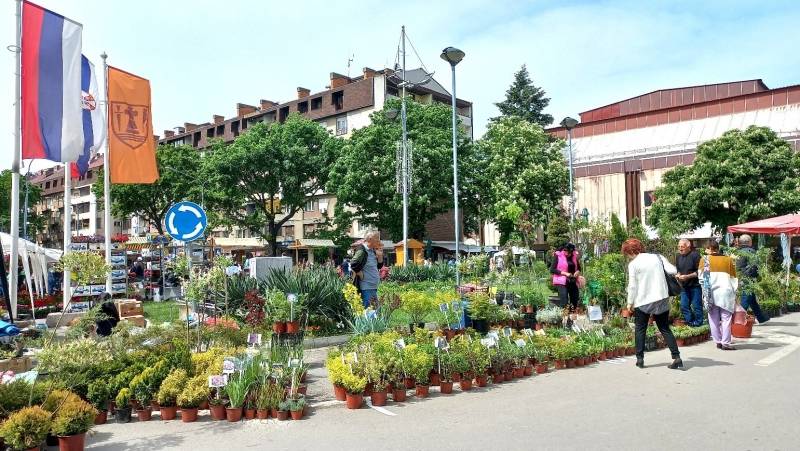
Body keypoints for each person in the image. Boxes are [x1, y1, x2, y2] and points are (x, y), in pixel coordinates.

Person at [622, 238, 683, 369]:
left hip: (643, 300)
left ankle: (640, 359)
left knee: (640, 329)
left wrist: (629, 304)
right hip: (661, 297)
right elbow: (672, 270)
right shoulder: (657, 257)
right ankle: (676, 357)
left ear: (630, 251)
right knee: (664, 328)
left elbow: (632, 286)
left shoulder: (633, 264)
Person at [699, 240, 738, 350]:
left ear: (710, 248)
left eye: (706, 248)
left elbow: (701, 278)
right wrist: (734, 291)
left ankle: (718, 341)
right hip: (725, 292)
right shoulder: (728, 260)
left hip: (710, 293)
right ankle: (725, 342)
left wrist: (704, 292)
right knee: (726, 318)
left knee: (713, 318)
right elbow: (734, 279)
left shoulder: (704, 260)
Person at [736, 234, 769, 324]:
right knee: (746, 300)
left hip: (740, 278)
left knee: (752, 300)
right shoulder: (751, 251)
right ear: (748, 242)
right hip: (749, 278)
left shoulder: (737, 252)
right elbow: (755, 267)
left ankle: (761, 318)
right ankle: (738, 320)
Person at [350, 231, 384, 308]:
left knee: (374, 312)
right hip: (366, 287)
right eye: (377, 238)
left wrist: (380, 256)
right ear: (370, 239)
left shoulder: (373, 250)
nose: (379, 240)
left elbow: (379, 266)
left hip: (373, 286)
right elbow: (353, 264)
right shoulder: (362, 250)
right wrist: (361, 274)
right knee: (370, 313)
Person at [676, 239, 703, 326]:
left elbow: (700, 272)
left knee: (696, 306)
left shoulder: (695, 255)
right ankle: (690, 322)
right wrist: (678, 275)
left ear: (688, 246)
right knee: (684, 306)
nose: (680, 249)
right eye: (679, 247)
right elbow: (678, 270)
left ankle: (698, 324)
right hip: (684, 286)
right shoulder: (678, 256)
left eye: (682, 247)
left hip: (695, 285)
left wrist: (687, 276)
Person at [550, 243, 581, 311]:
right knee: (564, 301)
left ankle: (572, 317)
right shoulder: (558, 255)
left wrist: (577, 272)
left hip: (572, 280)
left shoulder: (574, 256)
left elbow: (579, 268)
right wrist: (565, 273)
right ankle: (565, 317)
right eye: (565, 251)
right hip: (561, 281)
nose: (567, 253)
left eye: (569, 252)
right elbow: (552, 270)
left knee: (575, 299)